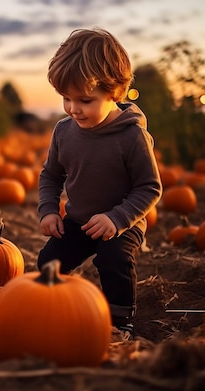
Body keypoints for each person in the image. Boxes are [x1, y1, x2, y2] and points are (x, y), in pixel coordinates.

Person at [37, 28, 163, 340]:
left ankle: (120, 324)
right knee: (48, 261)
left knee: (113, 260)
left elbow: (149, 187)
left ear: (115, 92)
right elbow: (51, 176)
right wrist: (49, 210)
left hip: (121, 222)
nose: (73, 108)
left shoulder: (131, 136)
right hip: (79, 220)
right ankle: (56, 308)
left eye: (84, 100)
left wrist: (117, 219)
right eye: (66, 98)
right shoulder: (64, 132)